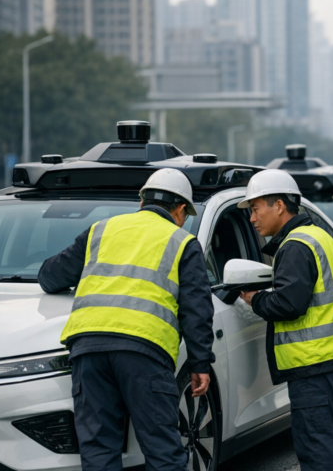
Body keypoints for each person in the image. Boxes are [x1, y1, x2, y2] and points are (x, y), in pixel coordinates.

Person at [38, 168, 215, 471]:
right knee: (162, 449)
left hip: (88, 351)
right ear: (181, 209)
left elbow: (50, 276)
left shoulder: (101, 230)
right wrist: (200, 364)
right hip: (143, 352)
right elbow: (197, 310)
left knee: (98, 448)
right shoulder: (182, 242)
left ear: (142, 201)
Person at [237, 169, 333, 471]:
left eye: (255, 209)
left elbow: (288, 304)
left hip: (315, 365)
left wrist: (253, 298)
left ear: (279, 205)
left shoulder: (295, 246)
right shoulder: (317, 234)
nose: (252, 218)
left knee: (318, 449)